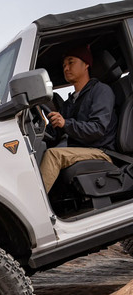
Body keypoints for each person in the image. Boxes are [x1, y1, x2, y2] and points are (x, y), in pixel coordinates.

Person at [40, 44, 118, 193]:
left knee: (53, 155)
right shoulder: (70, 102)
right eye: (64, 65)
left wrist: (65, 123)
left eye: (71, 62)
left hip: (101, 151)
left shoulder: (101, 91)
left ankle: (36, 204)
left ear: (86, 64)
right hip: (80, 149)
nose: (66, 68)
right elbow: (55, 132)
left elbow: (97, 129)